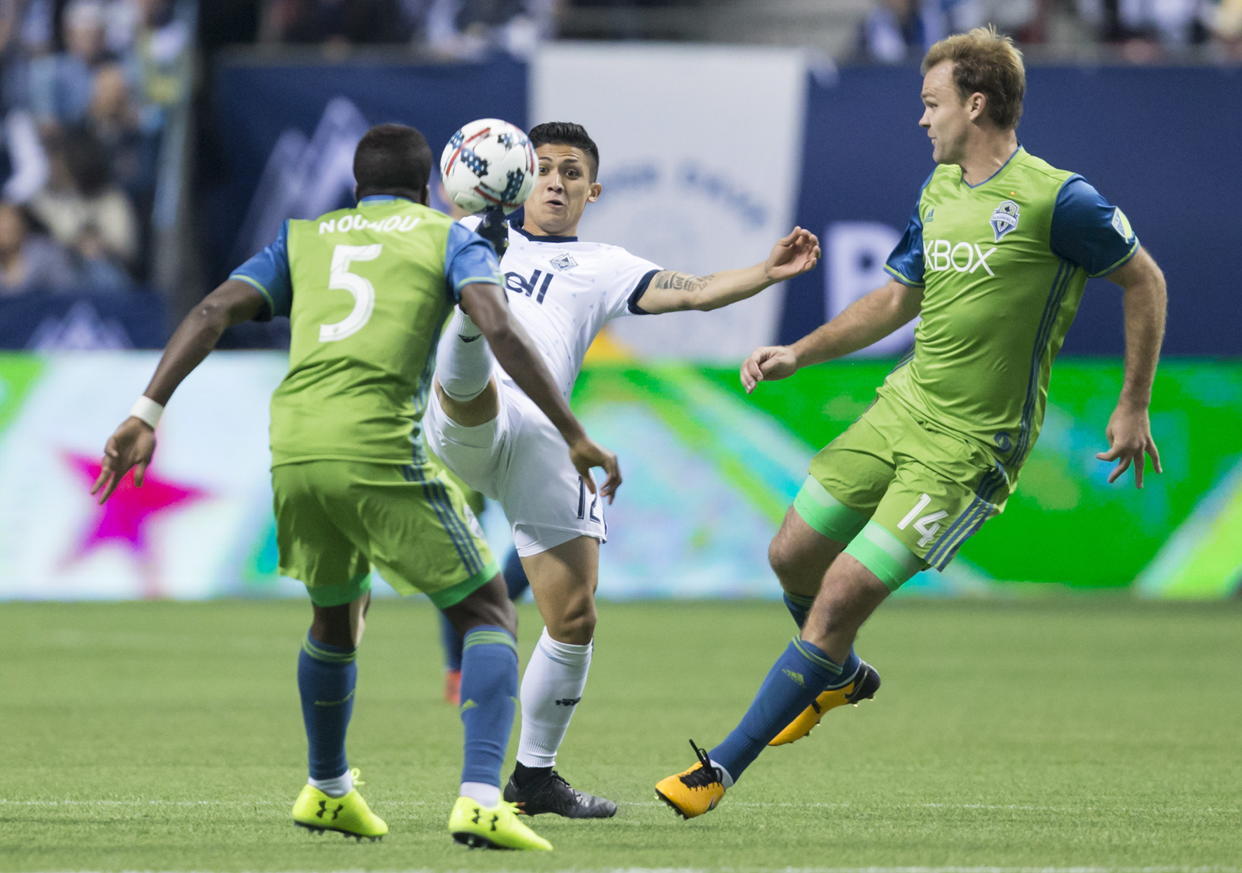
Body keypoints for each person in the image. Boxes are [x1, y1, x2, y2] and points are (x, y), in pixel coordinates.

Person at [654, 26, 1166, 818]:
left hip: (969, 450)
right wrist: (801, 351)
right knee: (791, 554)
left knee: (836, 600)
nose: (921, 120)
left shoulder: (1059, 200)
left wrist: (1132, 403)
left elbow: (1146, 281)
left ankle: (717, 771)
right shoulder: (939, 192)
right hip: (901, 409)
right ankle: (842, 675)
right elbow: (895, 298)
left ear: (976, 102)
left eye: (931, 104)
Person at [90, 122, 621, 851]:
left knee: (335, 619)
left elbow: (213, 310)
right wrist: (573, 431)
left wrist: (144, 412)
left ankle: (329, 788)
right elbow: (497, 326)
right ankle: (478, 798)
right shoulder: (445, 235)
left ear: (354, 187)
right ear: (431, 187)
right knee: (489, 614)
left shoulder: (305, 236)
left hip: (294, 445)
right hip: (377, 448)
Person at [424, 121, 821, 818]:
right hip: (474, 413)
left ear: (592, 190)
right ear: (517, 179)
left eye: (571, 172)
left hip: (547, 434)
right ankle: (469, 324)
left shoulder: (603, 265)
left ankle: (535, 779)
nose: (555, 180)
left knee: (574, 614)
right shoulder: (466, 237)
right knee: (474, 363)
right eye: (542, 168)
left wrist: (765, 271)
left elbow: (694, 290)